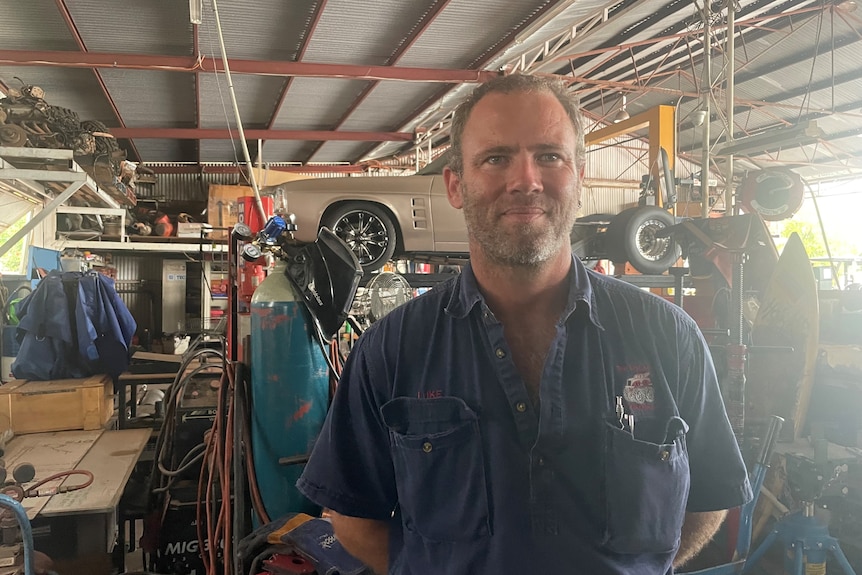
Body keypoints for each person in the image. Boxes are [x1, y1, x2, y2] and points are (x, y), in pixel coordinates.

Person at [297, 74, 752, 574]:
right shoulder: (392, 350)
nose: (526, 180)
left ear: (579, 176)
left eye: (549, 156)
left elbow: (711, 496)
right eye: (496, 158)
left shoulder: (669, 337)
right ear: (456, 185)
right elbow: (353, 517)